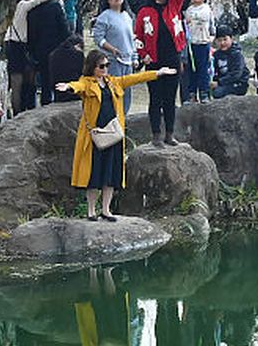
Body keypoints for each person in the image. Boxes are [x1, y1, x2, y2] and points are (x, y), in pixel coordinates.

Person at [57, 49, 173, 219]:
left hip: (113, 134)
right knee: (94, 173)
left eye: (107, 65)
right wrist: (68, 86)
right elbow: (78, 86)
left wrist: (157, 73)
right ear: (92, 67)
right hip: (96, 136)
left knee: (111, 173)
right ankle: (91, 211)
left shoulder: (113, 82)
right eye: (101, 66)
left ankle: (106, 209)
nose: (105, 69)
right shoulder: (87, 83)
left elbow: (133, 78)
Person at [134, 0, 192, 146]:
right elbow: (137, 37)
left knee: (170, 98)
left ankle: (169, 133)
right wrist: (143, 55)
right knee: (155, 99)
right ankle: (156, 134)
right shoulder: (144, 12)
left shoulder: (174, 6)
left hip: (172, 58)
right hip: (154, 61)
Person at [182, 0, 216, 103]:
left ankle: (204, 93)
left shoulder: (207, 9)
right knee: (191, 69)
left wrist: (211, 41)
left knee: (203, 69)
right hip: (191, 44)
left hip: (203, 43)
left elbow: (210, 25)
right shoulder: (189, 10)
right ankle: (191, 93)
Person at [210, 30, 249, 97]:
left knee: (218, 93)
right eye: (219, 40)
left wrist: (219, 82)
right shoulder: (216, 55)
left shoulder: (237, 54)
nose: (222, 43)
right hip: (224, 82)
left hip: (238, 83)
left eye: (225, 40)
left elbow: (236, 74)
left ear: (231, 39)